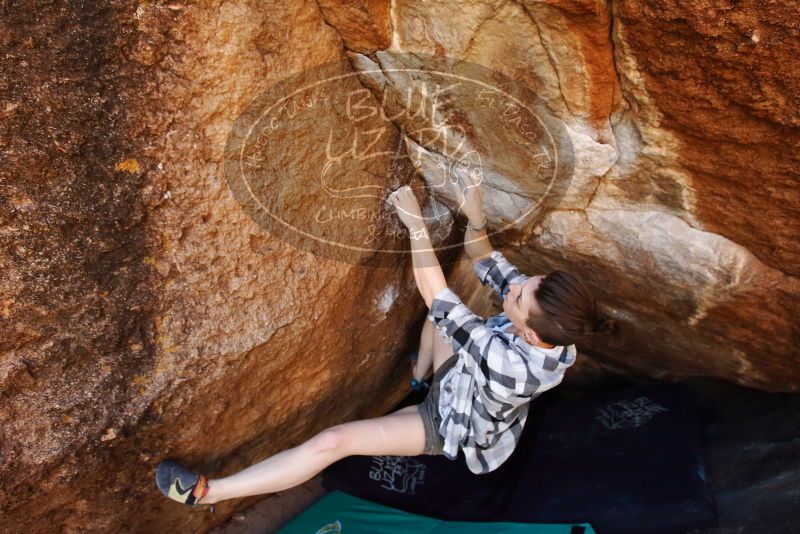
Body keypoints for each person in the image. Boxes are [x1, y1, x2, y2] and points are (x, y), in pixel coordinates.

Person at [154, 179, 620, 513]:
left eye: (520, 295)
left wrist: (415, 226)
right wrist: (474, 215)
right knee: (457, 326)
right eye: (530, 283)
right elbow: (488, 261)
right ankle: (418, 377)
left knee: (334, 441)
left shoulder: (512, 366)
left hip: (448, 422)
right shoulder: (557, 327)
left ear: (530, 335)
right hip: (462, 376)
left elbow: (437, 297)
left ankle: (206, 495)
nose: (518, 287)